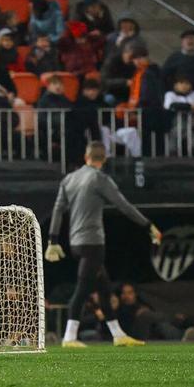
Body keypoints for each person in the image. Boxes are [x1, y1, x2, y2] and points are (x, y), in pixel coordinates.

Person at [45, 141, 162, 349]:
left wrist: (53, 240)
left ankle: (118, 335)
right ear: (104, 159)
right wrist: (148, 225)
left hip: (75, 243)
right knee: (82, 290)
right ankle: (69, 337)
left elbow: (57, 210)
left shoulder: (69, 179)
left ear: (85, 157)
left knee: (105, 289)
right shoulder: (100, 179)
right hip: (93, 243)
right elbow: (124, 206)